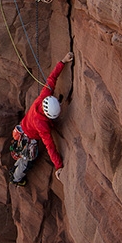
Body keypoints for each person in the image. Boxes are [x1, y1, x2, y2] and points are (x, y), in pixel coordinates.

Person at [10, 52, 74, 185]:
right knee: (28, 160)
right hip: (29, 136)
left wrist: (63, 61)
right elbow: (50, 146)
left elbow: (52, 78)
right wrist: (59, 166)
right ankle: (16, 178)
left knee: (22, 155)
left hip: (24, 127)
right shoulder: (42, 125)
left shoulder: (44, 96)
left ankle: (16, 166)